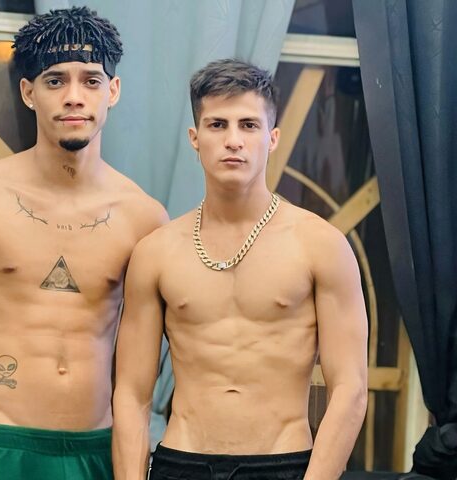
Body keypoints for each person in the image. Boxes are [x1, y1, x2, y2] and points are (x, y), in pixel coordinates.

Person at [0, 7, 167, 480]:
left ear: (113, 90)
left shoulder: (144, 217)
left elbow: (145, 370)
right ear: (29, 92)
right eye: (55, 81)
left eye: (91, 81)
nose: (74, 97)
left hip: (97, 449)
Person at [112, 59, 368, 480]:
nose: (233, 140)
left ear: (272, 137)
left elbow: (351, 388)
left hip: (283, 463)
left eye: (249, 125)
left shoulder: (320, 245)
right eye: (217, 125)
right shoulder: (156, 252)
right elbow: (131, 393)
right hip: (182, 462)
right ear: (195, 138)